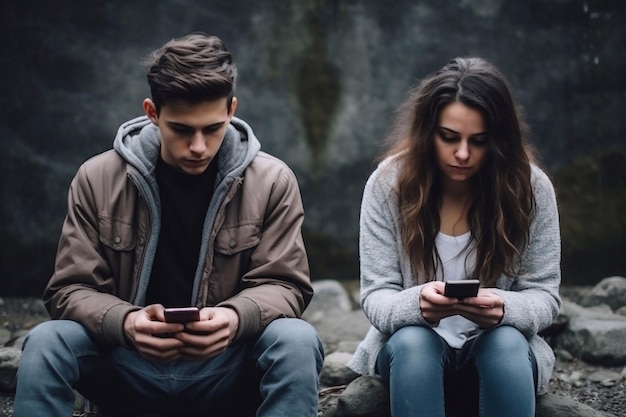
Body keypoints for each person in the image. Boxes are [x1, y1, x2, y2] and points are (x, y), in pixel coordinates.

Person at [13, 33, 323, 417]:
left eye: (212, 128)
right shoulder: (97, 178)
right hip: (126, 365)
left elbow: (287, 285)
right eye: (181, 129)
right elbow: (68, 289)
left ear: (231, 109)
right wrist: (125, 323)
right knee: (46, 340)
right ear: (152, 112)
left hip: (225, 368)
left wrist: (233, 318)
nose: (198, 146)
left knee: (296, 339)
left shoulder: (272, 181)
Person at [347, 57, 561, 417]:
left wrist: (504, 309)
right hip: (412, 349)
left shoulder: (531, 188)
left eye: (478, 141)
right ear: (427, 131)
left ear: (499, 140)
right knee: (414, 343)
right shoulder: (388, 185)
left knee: (507, 344)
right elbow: (376, 293)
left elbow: (545, 296)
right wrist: (417, 305)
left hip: (499, 347)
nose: (462, 153)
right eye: (449, 138)